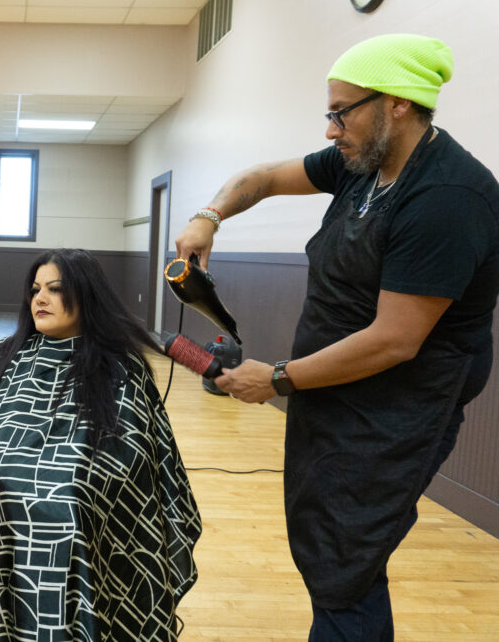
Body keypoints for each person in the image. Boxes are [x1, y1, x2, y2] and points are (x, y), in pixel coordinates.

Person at [174, 34, 499, 639]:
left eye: (340, 111)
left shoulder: (448, 199)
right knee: (326, 545)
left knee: (347, 564)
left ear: (397, 103)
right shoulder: (362, 165)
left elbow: (395, 340)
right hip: (334, 393)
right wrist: (208, 215)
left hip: (398, 410)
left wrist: (276, 378)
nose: (330, 130)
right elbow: (268, 177)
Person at [0, 248, 201, 641]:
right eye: (34, 290)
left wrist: (61, 475)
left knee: (66, 502)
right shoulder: (1, 355)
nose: (40, 299)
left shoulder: (119, 367)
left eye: (55, 289)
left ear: (86, 295)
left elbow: (132, 455)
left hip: (73, 490)